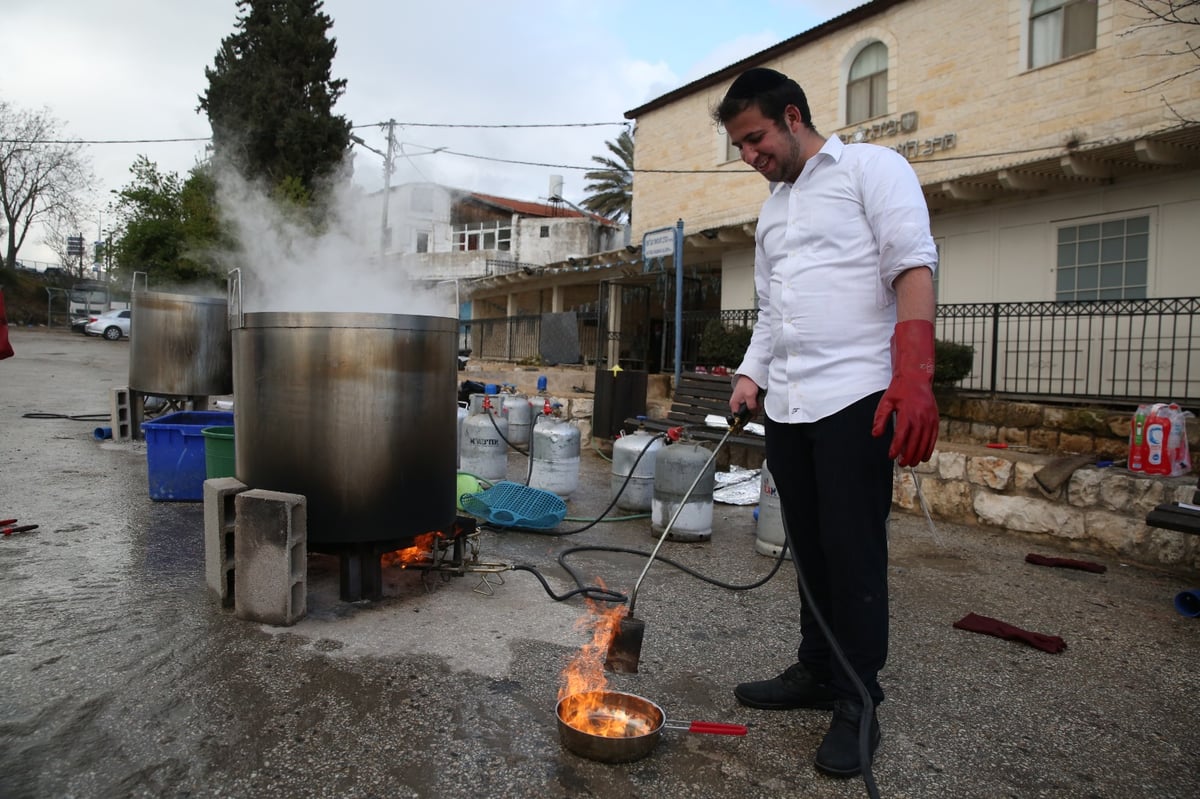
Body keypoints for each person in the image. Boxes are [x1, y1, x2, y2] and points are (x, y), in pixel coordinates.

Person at [715, 67, 938, 777]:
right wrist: (752, 374)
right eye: (740, 147)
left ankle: (858, 700)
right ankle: (817, 669)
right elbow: (773, 311)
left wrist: (914, 373)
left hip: (857, 398)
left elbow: (912, 266)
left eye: (754, 139)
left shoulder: (874, 168)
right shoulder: (773, 212)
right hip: (790, 403)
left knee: (853, 554)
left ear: (791, 115)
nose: (750, 156)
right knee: (807, 548)